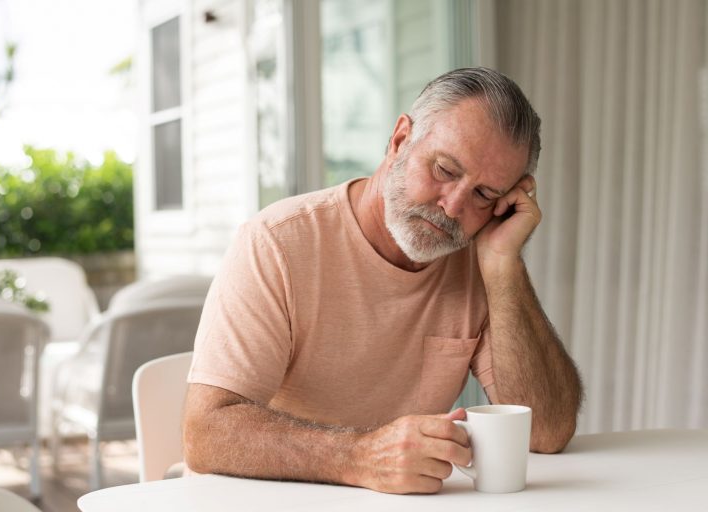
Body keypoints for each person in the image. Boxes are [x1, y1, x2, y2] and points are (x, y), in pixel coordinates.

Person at [182, 67, 583, 494]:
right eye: (445, 170)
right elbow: (206, 433)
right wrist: (359, 456)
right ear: (399, 140)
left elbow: (546, 432)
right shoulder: (277, 242)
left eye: (484, 195)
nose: (452, 207)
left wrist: (505, 266)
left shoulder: (480, 262)